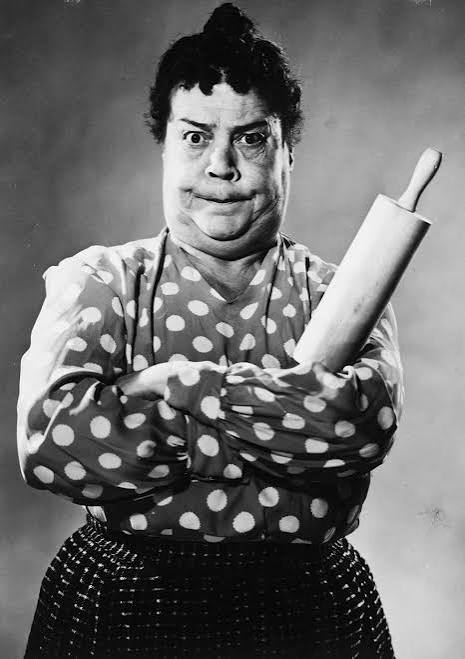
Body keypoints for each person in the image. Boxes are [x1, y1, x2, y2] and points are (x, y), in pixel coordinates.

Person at [17, 4, 403, 657]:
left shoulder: (342, 295)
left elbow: (362, 423)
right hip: (123, 601)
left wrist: (177, 386)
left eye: (251, 138)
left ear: (288, 152)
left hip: (307, 610)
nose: (222, 165)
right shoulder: (102, 280)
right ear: (165, 147)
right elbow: (52, 440)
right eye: (196, 136)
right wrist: (279, 424)